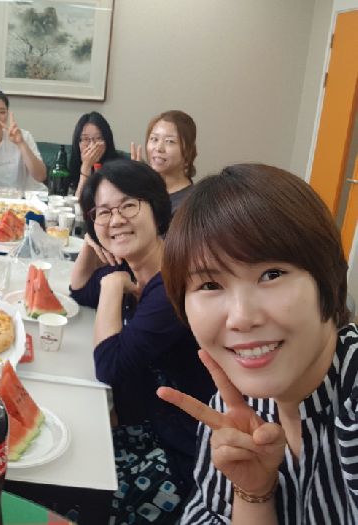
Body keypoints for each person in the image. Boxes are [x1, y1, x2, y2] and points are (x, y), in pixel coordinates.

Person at [158, 164, 356, 524]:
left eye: (271, 274)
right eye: (210, 285)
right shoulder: (233, 405)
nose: (241, 317)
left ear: (328, 277)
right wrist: (253, 492)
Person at [69, 158, 214, 524]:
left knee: (56, 496)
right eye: (103, 212)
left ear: (156, 208)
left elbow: (109, 366)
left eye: (128, 206)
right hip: (141, 426)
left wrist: (112, 286)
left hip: (177, 454)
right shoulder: (134, 265)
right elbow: (79, 290)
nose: (116, 219)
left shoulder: (172, 285)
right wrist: (91, 242)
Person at [131, 110, 197, 213]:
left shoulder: (191, 203)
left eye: (170, 141)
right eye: (154, 139)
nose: (159, 148)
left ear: (188, 150)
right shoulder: (145, 188)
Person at [69, 111, 120, 197]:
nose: (92, 145)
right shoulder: (70, 165)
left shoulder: (118, 167)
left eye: (98, 138)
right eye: (86, 139)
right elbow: (78, 203)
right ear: (78, 142)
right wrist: (86, 168)